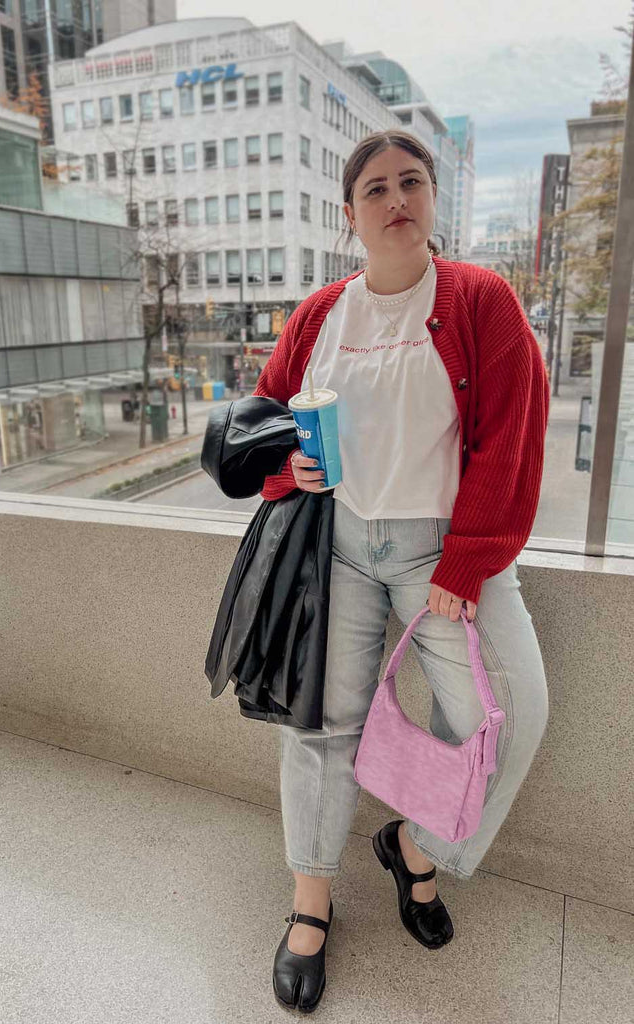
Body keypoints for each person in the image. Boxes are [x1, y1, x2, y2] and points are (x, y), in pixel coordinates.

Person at [256, 129, 550, 1013]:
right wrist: (287, 468)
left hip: (443, 549)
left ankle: (415, 850)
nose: (396, 199)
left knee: (508, 717)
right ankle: (311, 904)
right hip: (338, 544)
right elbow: (267, 417)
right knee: (320, 726)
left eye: (411, 182)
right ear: (350, 215)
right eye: (375, 188)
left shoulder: (478, 299)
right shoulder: (319, 315)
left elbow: (512, 437)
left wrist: (467, 557)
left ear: (432, 200)